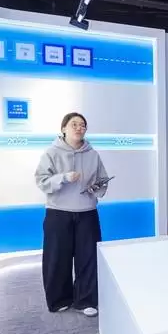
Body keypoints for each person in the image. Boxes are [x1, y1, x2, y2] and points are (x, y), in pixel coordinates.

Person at [35, 112, 110, 318]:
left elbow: (102, 180)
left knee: (89, 258)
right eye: (74, 124)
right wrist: (63, 178)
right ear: (64, 129)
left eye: (83, 125)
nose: (79, 128)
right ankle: (59, 299)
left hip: (87, 212)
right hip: (58, 212)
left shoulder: (93, 155)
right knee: (57, 258)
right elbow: (41, 180)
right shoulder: (51, 153)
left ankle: (87, 300)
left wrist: (97, 187)